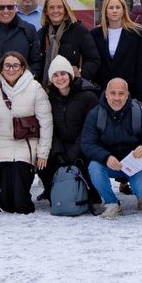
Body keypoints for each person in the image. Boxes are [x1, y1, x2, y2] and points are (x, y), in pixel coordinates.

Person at [0, 50, 53, 213]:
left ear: (22, 68)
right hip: (2, 143)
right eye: (7, 66)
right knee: (6, 202)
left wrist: (43, 153)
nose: (11, 69)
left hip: (26, 143)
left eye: (15, 66)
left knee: (20, 203)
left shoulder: (35, 88)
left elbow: (46, 122)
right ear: (1, 68)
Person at [80, 77, 142, 217]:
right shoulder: (95, 114)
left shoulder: (138, 113)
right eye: (113, 93)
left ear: (127, 95)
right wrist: (106, 157)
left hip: (134, 163)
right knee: (94, 167)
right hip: (109, 163)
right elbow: (87, 143)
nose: (116, 98)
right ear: (106, 94)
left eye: (121, 93)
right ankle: (112, 202)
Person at [40, 56, 100, 202]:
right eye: (55, 75)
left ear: (70, 75)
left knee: (84, 166)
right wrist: (58, 151)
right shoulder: (49, 98)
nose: (60, 78)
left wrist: (73, 152)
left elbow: (90, 129)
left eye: (63, 73)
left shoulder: (88, 96)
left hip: (85, 146)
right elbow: (51, 128)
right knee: (45, 163)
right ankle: (53, 192)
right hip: (62, 145)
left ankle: (89, 195)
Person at [91, 0, 142, 102]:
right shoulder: (95, 34)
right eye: (111, 8)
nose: (114, 11)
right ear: (105, 11)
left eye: (118, 7)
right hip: (102, 92)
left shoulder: (138, 34)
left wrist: (140, 97)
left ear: (123, 10)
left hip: (130, 93)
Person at [38, 0, 102, 83]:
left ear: (65, 10)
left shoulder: (79, 30)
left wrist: (80, 78)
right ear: (46, 11)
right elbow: (37, 63)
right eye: (51, 7)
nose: (56, 10)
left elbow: (93, 59)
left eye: (60, 7)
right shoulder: (41, 34)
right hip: (47, 87)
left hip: (73, 87)